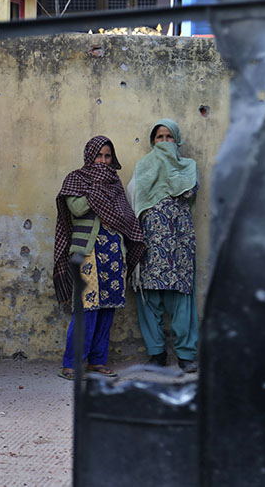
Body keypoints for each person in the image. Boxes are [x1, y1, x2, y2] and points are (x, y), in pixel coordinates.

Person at [54, 135, 145, 380]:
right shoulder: (77, 179)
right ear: (89, 156)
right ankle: (72, 363)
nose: (103, 161)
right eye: (99, 155)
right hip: (87, 251)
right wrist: (97, 188)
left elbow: (124, 218)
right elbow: (76, 208)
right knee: (87, 306)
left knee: (108, 309)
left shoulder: (115, 184)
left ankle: (97, 361)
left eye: (107, 156)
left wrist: (103, 189)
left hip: (114, 252)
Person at [128, 119, 200, 373]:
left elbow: (188, 192)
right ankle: (157, 354)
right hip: (150, 243)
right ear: (152, 141)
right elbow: (134, 196)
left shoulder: (188, 167)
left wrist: (166, 167)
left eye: (169, 137)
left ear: (177, 140)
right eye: (159, 137)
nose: (165, 142)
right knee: (149, 298)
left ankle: (186, 355)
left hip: (179, 243)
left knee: (181, 299)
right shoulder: (143, 166)